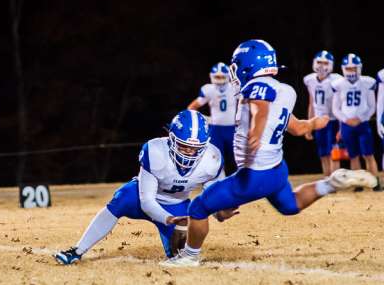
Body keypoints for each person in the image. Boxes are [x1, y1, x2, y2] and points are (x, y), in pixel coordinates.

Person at [160, 39, 377, 267]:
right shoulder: (285, 91)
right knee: (290, 205)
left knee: (198, 207)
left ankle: (190, 257)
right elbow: (298, 127)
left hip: (254, 174)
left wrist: (256, 130)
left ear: (247, 65)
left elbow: (260, 108)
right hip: (277, 170)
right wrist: (314, 123)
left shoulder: (256, 88)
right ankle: (332, 182)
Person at [54, 110, 237, 264]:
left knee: (179, 258)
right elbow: (146, 200)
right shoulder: (156, 150)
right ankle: (77, 251)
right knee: (121, 199)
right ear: (171, 139)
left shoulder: (212, 157)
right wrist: (167, 218)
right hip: (143, 196)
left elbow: (213, 195)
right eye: (183, 146)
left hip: (178, 205)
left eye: (195, 148)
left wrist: (219, 211)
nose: (189, 152)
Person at [331, 54, 378, 177]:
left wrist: (361, 118)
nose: (351, 71)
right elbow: (335, 108)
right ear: (343, 68)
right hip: (347, 125)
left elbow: (372, 106)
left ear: (359, 68)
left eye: (353, 68)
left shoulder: (368, 82)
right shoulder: (338, 84)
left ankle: (375, 182)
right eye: (348, 68)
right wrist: (346, 120)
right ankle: (358, 183)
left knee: (368, 154)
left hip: (362, 124)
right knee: (353, 156)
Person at [188, 63, 237, 174]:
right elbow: (191, 108)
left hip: (233, 129)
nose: (219, 79)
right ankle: (218, 184)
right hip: (216, 130)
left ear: (227, 76)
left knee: (236, 158)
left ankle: (238, 184)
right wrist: (206, 119)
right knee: (215, 159)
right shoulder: (209, 89)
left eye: (222, 77)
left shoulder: (235, 88)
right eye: (217, 77)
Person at [303, 51, 341, 176]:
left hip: (333, 120)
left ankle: (334, 180)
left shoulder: (336, 80)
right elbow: (312, 103)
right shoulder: (309, 80)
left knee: (334, 152)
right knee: (323, 152)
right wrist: (309, 126)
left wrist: (341, 126)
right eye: (319, 62)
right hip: (318, 121)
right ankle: (327, 178)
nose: (321, 66)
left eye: (325, 63)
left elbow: (341, 105)